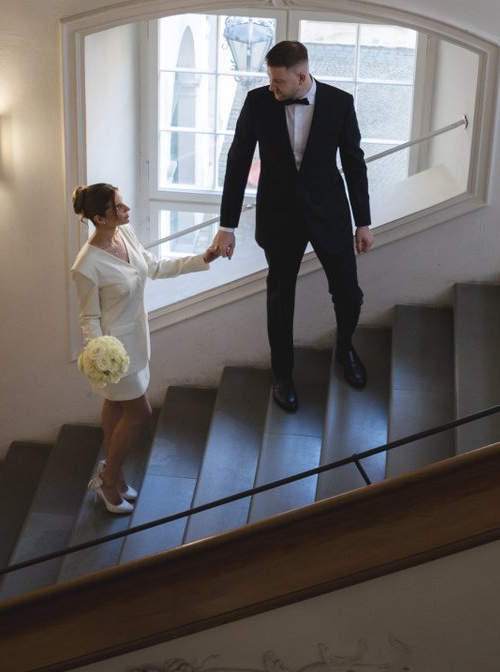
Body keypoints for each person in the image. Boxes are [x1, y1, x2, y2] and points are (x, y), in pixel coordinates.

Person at [212, 40, 373, 415]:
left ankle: (345, 349)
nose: (271, 87)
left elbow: (354, 164)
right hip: (278, 215)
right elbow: (238, 162)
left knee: (349, 295)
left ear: (302, 77)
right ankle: (282, 375)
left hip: (329, 213)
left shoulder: (339, 103)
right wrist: (227, 225)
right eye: (270, 79)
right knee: (280, 300)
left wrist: (363, 222)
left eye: (278, 81)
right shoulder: (257, 102)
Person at [69, 183, 230, 511]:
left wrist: (202, 259)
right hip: (115, 355)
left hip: (138, 341)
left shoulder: (125, 235)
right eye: (118, 206)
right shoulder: (86, 265)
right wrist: (101, 355)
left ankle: (116, 476)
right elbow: (89, 318)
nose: (126, 209)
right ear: (99, 218)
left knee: (115, 406)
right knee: (140, 412)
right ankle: (108, 483)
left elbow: (154, 267)